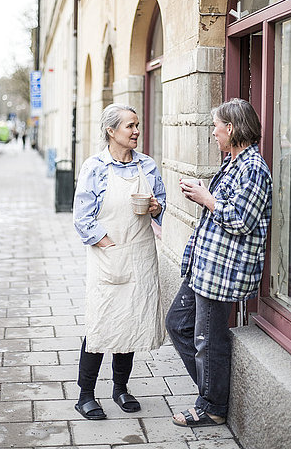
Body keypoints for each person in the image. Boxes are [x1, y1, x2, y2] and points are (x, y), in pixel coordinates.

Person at [166, 98, 272, 428]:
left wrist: (207, 199)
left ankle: (212, 406)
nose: (213, 132)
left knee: (209, 340)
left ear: (232, 128)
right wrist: (204, 192)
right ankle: (214, 390)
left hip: (224, 270)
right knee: (178, 324)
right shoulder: (233, 162)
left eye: (216, 126)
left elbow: (242, 220)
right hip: (206, 264)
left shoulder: (254, 169)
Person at [73, 103, 166, 420]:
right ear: (111, 131)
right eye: (130, 126)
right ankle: (85, 395)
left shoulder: (148, 167)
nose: (137, 131)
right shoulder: (94, 168)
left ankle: (120, 389)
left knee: (130, 322)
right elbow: (82, 219)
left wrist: (155, 207)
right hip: (108, 257)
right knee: (100, 325)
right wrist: (109, 244)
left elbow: (161, 206)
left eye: (137, 125)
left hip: (140, 256)